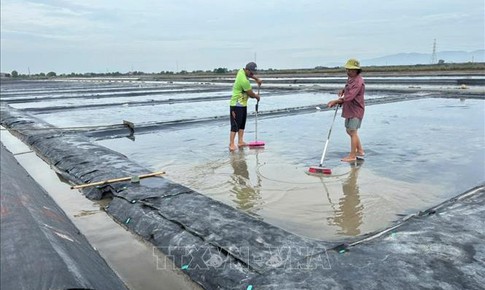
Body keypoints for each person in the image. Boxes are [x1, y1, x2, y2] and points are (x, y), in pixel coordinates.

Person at [327, 58, 365, 162]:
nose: (348, 72)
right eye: (347, 69)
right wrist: (343, 90)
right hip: (350, 108)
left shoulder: (358, 81)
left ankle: (352, 156)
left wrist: (336, 101)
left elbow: (350, 96)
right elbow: (348, 88)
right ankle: (360, 150)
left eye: (351, 70)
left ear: (357, 71)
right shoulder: (351, 79)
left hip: (356, 109)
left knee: (352, 131)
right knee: (350, 131)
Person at [229, 62, 263, 151]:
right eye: (251, 72)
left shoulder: (241, 71)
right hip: (236, 104)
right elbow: (251, 94)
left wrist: (256, 79)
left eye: (253, 72)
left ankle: (240, 141)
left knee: (242, 123)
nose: (252, 74)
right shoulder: (243, 80)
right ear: (247, 69)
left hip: (243, 103)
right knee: (235, 125)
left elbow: (250, 75)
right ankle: (231, 144)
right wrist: (257, 96)